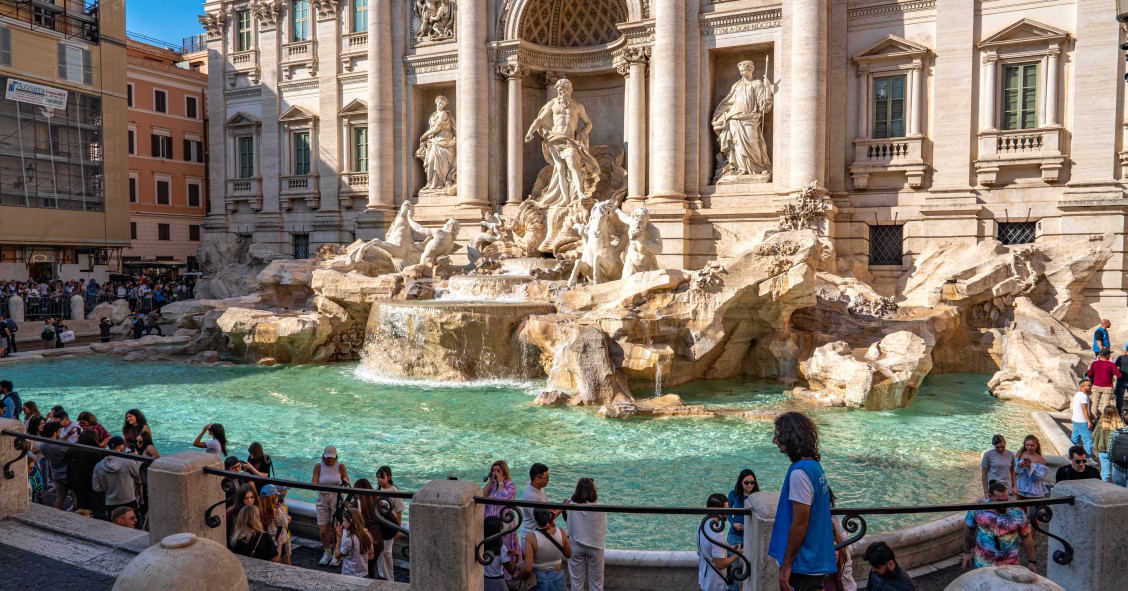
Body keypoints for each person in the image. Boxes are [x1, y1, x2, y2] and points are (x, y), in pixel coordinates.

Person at [768, 412, 836, 591]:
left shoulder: (799, 473)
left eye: (778, 435)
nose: (775, 440)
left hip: (803, 565)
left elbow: (800, 523)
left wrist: (786, 565)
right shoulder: (814, 466)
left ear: (791, 435)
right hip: (814, 559)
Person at [711, 59, 775, 180]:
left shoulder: (757, 84)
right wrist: (719, 115)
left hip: (750, 118)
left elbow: (763, 105)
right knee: (737, 143)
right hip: (734, 118)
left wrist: (767, 89)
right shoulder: (736, 85)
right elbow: (729, 102)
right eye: (740, 70)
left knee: (752, 142)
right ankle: (741, 168)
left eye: (743, 70)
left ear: (751, 69)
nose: (741, 73)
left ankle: (757, 167)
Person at [962, 482, 1036, 571]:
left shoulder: (1017, 512)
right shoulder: (977, 508)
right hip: (983, 563)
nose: (1004, 504)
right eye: (1000, 501)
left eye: (1006, 500)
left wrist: (1032, 561)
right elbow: (969, 529)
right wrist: (967, 553)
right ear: (989, 497)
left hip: (1010, 564)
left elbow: (1026, 536)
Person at [566, 477, 606, 591]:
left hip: (576, 544)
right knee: (597, 583)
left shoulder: (571, 504)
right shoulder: (600, 507)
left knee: (576, 583)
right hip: (595, 545)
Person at [313, 445, 349, 567]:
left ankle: (336, 553)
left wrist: (345, 481)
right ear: (323, 456)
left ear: (336, 457)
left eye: (332, 458)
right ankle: (327, 552)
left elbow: (346, 481)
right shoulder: (318, 467)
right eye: (327, 458)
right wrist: (317, 484)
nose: (330, 460)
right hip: (322, 498)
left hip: (336, 498)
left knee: (336, 529)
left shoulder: (340, 466)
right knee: (323, 530)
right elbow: (313, 482)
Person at [481, 459, 520, 573]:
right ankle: (490, 570)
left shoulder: (510, 485)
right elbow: (482, 495)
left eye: (498, 470)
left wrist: (501, 482)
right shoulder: (491, 486)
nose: (496, 473)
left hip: (504, 524)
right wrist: (491, 481)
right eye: (493, 470)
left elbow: (502, 498)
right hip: (490, 525)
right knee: (490, 546)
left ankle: (507, 573)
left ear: (504, 472)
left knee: (503, 547)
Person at [520, 509, 573, 591]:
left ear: (535, 518)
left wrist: (517, 576)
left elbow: (527, 568)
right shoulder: (561, 532)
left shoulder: (531, 537)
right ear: (550, 516)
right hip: (558, 574)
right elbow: (568, 554)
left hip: (539, 577)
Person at [698, 493, 742, 591]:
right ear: (718, 511)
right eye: (726, 509)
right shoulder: (717, 533)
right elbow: (720, 564)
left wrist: (731, 548)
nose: (727, 512)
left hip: (705, 581)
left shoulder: (701, 526)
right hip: (717, 585)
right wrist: (737, 555)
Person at [92, 436, 142, 517]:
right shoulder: (128, 461)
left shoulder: (98, 466)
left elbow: (96, 488)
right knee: (134, 526)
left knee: (113, 527)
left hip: (110, 503)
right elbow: (139, 475)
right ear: (120, 447)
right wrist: (137, 458)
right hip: (129, 501)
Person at [352, 478, 386, 578]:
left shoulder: (356, 504)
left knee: (361, 571)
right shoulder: (377, 500)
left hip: (365, 542)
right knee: (371, 569)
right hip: (378, 540)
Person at [66, 430, 105, 516]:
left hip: (77, 484)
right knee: (97, 509)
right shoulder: (95, 451)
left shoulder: (73, 449)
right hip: (91, 485)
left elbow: (68, 467)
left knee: (83, 508)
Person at [375, 466, 404, 580]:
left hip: (390, 526)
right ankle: (381, 573)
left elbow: (399, 510)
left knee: (387, 552)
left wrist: (398, 528)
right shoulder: (377, 491)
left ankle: (389, 577)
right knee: (380, 550)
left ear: (389, 477)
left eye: (382, 477)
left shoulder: (394, 491)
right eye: (378, 477)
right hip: (380, 525)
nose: (380, 480)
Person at [334, 507, 376, 578]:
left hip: (348, 575)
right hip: (364, 574)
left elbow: (337, 556)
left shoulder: (349, 540)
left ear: (350, 521)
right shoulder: (368, 535)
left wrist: (339, 537)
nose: (343, 524)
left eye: (344, 521)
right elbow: (371, 557)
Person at [727, 469, 759, 548]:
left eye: (752, 482)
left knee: (750, 560)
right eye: (746, 483)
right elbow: (728, 512)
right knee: (734, 559)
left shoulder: (758, 496)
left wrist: (749, 526)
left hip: (751, 536)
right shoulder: (733, 494)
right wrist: (733, 524)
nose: (750, 485)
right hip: (735, 535)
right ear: (741, 482)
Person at [1092, 405, 1125, 482]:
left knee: (1105, 474)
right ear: (1116, 413)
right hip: (1117, 453)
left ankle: (1104, 490)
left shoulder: (1100, 424)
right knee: (1117, 475)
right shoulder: (1120, 424)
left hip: (1103, 451)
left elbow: (1093, 436)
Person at [521, 463, 552, 545]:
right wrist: (561, 508)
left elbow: (547, 510)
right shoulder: (531, 496)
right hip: (531, 537)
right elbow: (542, 520)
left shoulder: (540, 489)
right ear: (537, 479)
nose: (548, 480)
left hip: (539, 534)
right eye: (547, 478)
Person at [484, 515, 517, 591]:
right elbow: (511, 571)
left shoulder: (482, 545)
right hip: (498, 583)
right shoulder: (501, 549)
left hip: (484, 581)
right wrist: (517, 557)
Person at [1086, 349, 1121, 418]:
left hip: (1096, 386)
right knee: (1106, 404)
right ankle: (1104, 420)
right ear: (1108, 355)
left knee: (1094, 404)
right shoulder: (1111, 364)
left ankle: (1093, 419)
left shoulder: (1094, 363)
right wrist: (1118, 370)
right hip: (1107, 387)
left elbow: (1089, 375)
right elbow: (1119, 376)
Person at [1013, 435, 1048, 500]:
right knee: (1020, 509)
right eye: (1027, 445)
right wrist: (1019, 465)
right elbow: (1014, 470)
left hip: (1034, 491)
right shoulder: (1020, 453)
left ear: (1036, 446)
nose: (1029, 447)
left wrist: (1030, 467)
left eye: (1032, 445)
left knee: (1033, 509)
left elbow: (1039, 477)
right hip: (1020, 488)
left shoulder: (1041, 459)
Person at [1070, 380, 1095, 456]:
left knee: (1074, 439)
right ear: (1082, 386)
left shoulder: (1077, 394)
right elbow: (1084, 409)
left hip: (1075, 420)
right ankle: (1088, 458)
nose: (1091, 387)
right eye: (1089, 385)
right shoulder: (1083, 396)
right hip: (1082, 421)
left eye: (1091, 385)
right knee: (1088, 440)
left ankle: (1073, 455)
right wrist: (1089, 421)